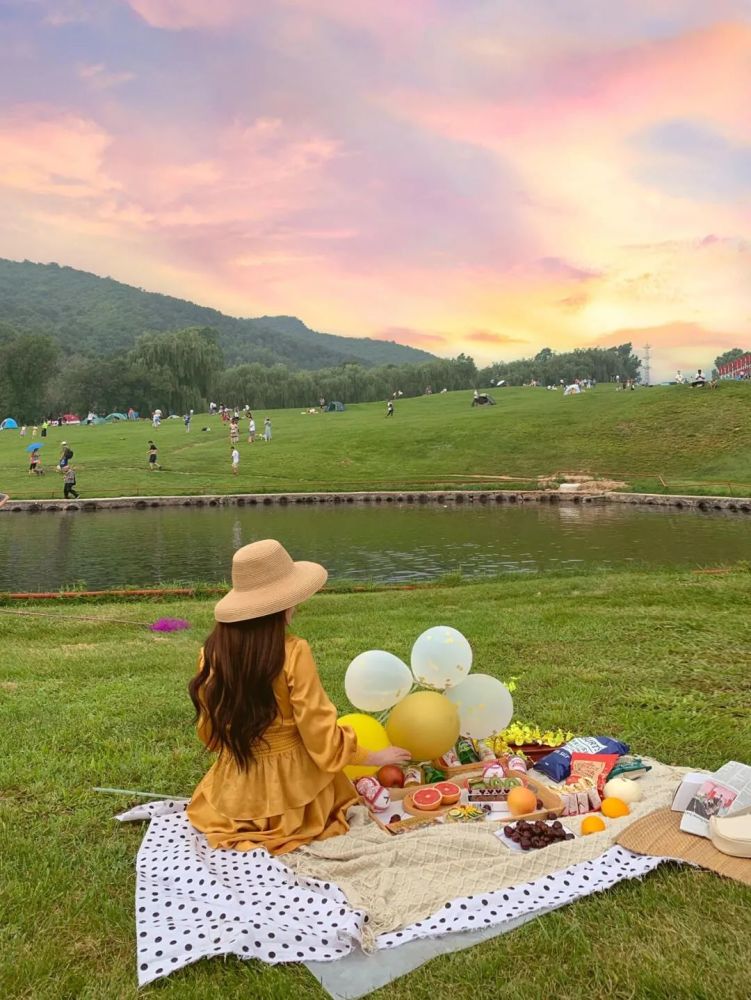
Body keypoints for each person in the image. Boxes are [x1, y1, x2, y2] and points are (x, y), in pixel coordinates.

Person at [186, 540, 410, 855]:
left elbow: (210, 732)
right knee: (324, 809)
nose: (296, 606)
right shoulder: (293, 652)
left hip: (236, 792)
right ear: (280, 605)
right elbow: (319, 733)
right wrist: (373, 756)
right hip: (297, 797)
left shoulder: (211, 654)